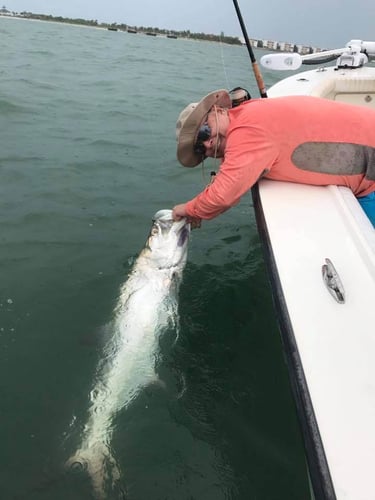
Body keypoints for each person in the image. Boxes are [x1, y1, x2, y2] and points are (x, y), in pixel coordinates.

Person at [172, 89, 375, 228]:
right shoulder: (248, 114)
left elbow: (223, 195)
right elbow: (233, 174)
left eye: (205, 131)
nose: (207, 144)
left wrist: (187, 210)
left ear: (218, 111)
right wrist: (199, 210)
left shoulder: (246, 130)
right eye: (200, 147)